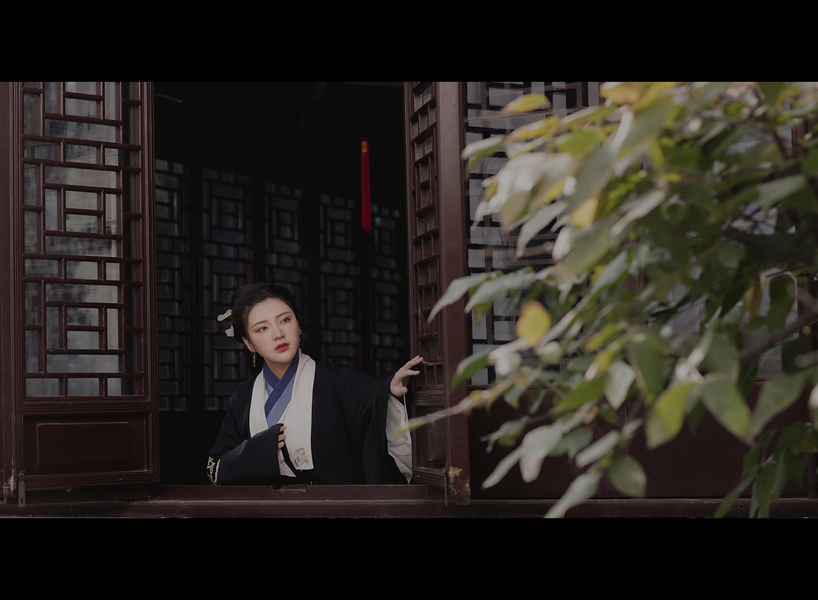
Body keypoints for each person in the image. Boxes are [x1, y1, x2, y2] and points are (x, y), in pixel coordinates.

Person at [206, 281, 420, 486]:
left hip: (333, 506)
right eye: (262, 328)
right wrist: (254, 452)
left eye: (285, 320)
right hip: (269, 507)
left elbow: (376, 409)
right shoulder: (243, 398)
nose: (278, 334)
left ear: (298, 325)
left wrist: (390, 393)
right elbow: (216, 467)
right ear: (248, 343)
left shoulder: (337, 380)